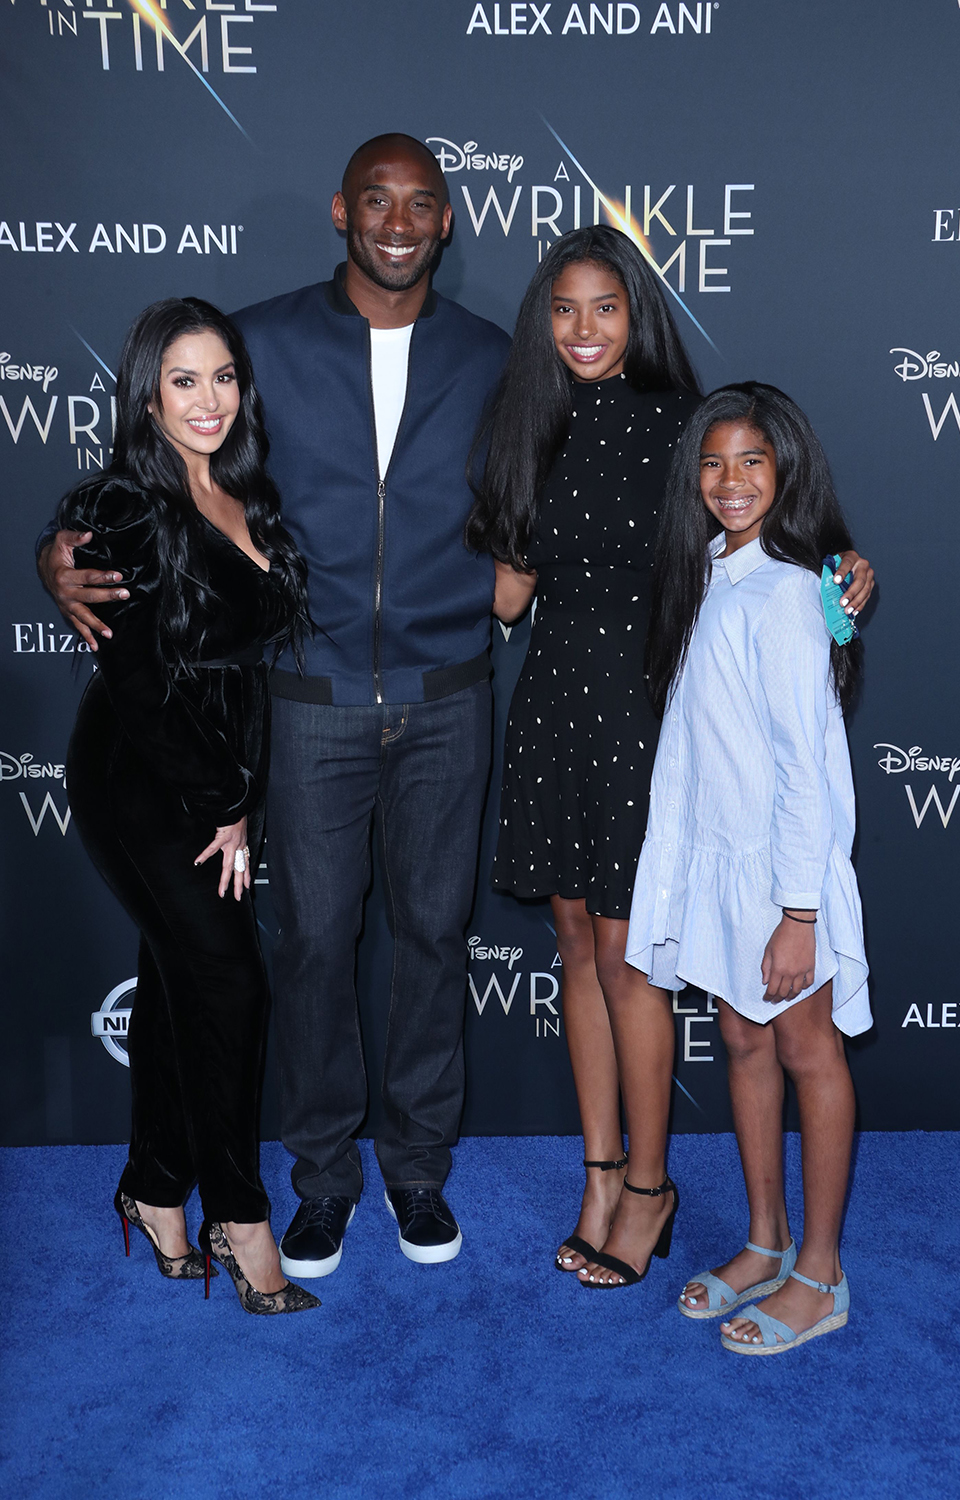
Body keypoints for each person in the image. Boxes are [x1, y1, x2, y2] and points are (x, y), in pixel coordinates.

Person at [39, 135, 510, 1275]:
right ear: (341, 211)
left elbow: (602, 457)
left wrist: (810, 556)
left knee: (436, 942)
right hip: (305, 699)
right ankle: (321, 1179)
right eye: (377, 201)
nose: (398, 222)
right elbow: (157, 459)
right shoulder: (261, 339)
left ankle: (416, 1171)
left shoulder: (498, 355)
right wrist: (58, 555)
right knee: (306, 947)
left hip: (449, 695)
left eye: (423, 204)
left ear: (447, 221)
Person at [466, 227, 874, 1289]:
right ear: (540, 322)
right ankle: (599, 1172)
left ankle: (649, 1186)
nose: (585, 329)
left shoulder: (676, 428)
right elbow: (508, 596)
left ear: (637, 312)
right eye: (564, 309)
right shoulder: (525, 423)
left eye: (605, 306)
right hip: (552, 702)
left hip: (649, 712)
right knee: (572, 945)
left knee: (627, 953)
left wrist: (837, 579)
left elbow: (758, 532)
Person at [58, 298, 318, 1314]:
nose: (207, 400)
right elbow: (140, 684)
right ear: (147, 396)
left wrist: (240, 797)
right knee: (230, 984)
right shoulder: (125, 505)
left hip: (219, 778)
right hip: (143, 775)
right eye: (183, 381)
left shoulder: (243, 491)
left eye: (222, 378)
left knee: (178, 975)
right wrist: (224, 803)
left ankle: (157, 1188)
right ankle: (239, 1215)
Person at [628, 382, 871, 1348]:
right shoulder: (709, 577)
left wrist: (799, 912)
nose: (730, 481)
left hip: (783, 880)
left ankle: (821, 1271)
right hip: (720, 868)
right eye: (713, 463)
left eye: (753, 462)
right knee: (743, 1044)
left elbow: (804, 765)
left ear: (787, 472)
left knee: (810, 1050)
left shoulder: (788, 592)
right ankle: (766, 1244)